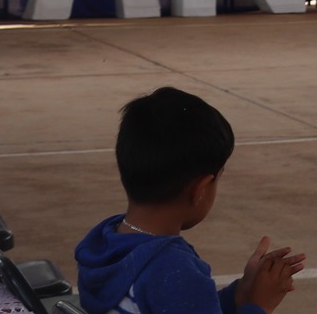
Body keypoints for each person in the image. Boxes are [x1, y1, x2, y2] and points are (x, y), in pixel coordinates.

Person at [76, 86, 304, 313]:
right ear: (200, 189)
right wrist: (259, 305)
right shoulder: (172, 269)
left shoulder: (105, 243)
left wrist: (242, 292)